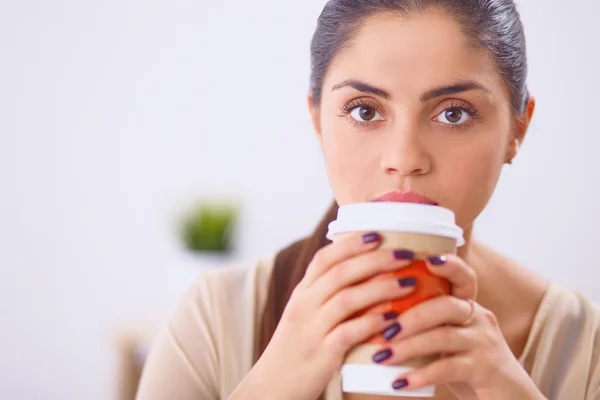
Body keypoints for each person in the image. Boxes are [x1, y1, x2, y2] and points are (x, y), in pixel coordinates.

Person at [136, 1, 600, 399]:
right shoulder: (212, 322)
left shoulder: (584, 347)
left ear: (518, 129)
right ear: (317, 119)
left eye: (453, 113)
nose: (404, 159)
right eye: (365, 110)